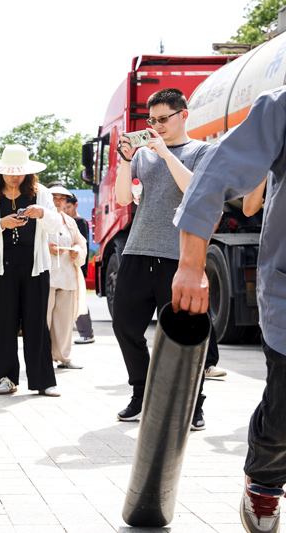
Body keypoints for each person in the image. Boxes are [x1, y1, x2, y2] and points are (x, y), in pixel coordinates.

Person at [171, 86, 286, 533]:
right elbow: (215, 174)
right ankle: (265, 480)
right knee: (282, 414)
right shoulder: (280, 107)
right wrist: (191, 265)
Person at [113, 88, 219, 430]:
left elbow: (195, 191)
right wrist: (127, 161)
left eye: (163, 119)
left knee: (185, 334)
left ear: (183, 115)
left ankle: (193, 404)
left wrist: (166, 153)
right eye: (152, 120)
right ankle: (141, 393)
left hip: (179, 254)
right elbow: (123, 198)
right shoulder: (144, 155)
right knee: (125, 325)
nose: (156, 126)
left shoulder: (202, 151)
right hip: (138, 250)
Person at [0, 145, 61, 397]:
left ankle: (43, 380)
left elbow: (55, 224)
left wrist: (42, 212)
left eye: (19, 173)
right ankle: (6, 378)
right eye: (9, 172)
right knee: (2, 323)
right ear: (0, 172)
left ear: (27, 172)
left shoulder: (41, 193)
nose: (14, 177)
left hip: (36, 268)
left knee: (37, 324)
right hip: (2, 269)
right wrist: (1, 223)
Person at [46, 185, 87, 370]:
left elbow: (80, 243)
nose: (57, 201)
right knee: (42, 320)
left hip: (67, 276)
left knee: (64, 321)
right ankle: (43, 358)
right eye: (54, 196)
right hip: (45, 276)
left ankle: (64, 357)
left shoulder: (70, 222)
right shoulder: (41, 218)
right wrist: (46, 248)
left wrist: (76, 251)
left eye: (62, 198)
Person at [63, 193, 95, 345]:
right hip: (68, 265)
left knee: (79, 299)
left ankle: (87, 333)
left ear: (76, 205)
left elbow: (82, 246)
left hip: (77, 265)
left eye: (68, 207)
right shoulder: (67, 222)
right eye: (65, 207)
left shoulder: (79, 222)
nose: (66, 210)